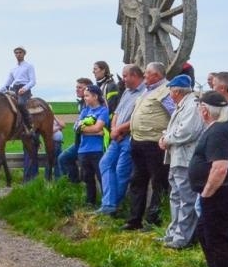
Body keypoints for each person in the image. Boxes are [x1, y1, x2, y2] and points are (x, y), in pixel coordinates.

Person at [189, 91, 228, 267]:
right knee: (205, 233)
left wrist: (206, 194)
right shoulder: (226, 126)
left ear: (205, 111)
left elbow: (220, 167)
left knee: (216, 238)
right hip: (224, 190)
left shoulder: (219, 131)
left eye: (199, 108)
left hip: (220, 192)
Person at [125, 63, 170, 231]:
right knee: (137, 180)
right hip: (138, 141)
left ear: (157, 75)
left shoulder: (166, 91)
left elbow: (174, 114)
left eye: (147, 74)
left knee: (159, 181)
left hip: (155, 143)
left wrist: (167, 137)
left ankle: (154, 220)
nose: (144, 76)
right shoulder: (146, 90)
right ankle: (134, 219)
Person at [159, 75, 203, 249]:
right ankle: (173, 234)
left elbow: (187, 132)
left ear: (176, 91)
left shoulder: (192, 106)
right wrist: (166, 136)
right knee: (176, 196)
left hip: (186, 159)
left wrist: (166, 139)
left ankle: (182, 238)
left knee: (186, 199)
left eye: (170, 90)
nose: (169, 93)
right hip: (177, 157)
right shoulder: (183, 105)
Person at [97, 64, 144, 217]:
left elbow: (137, 119)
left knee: (121, 171)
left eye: (125, 76)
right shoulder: (127, 92)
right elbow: (116, 113)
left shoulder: (144, 93)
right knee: (105, 163)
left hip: (129, 138)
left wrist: (120, 130)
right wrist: (114, 129)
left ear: (135, 76)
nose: (123, 79)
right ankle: (109, 204)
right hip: (117, 137)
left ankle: (112, 206)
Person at [73, 86, 108, 208]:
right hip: (83, 150)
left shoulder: (103, 111)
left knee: (101, 178)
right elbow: (76, 128)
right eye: (84, 96)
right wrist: (94, 132)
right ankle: (90, 203)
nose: (85, 98)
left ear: (95, 96)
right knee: (87, 179)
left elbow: (98, 127)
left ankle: (105, 204)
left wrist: (84, 130)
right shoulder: (84, 111)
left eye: (87, 96)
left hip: (97, 150)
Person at [0, 46, 36, 136]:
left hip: (24, 88)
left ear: (24, 54)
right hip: (14, 88)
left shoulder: (29, 66)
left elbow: (33, 81)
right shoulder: (13, 69)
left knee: (20, 103)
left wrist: (24, 89)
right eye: (16, 53)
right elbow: (7, 84)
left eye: (20, 52)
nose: (18, 54)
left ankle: (29, 124)